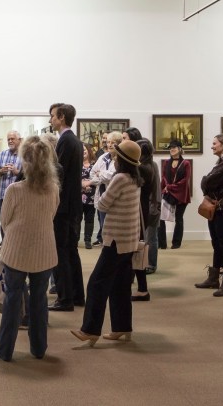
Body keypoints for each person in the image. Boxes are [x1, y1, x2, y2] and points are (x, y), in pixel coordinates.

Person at [70, 139, 143, 346]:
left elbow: (102, 205)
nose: (114, 158)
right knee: (120, 286)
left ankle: (90, 330)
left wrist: (104, 187)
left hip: (115, 240)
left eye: (116, 155)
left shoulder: (119, 178)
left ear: (122, 160)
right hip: (128, 240)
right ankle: (122, 327)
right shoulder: (135, 178)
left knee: (97, 283)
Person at [0, 135, 59, 362]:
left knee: (12, 300)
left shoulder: (14, 190)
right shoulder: (52, 189)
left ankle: (5, 350)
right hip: (45, 252)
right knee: (39, 300)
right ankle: (39, 348)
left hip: (16, 252)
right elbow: (51, 215)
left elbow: (5, 222)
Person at [48, 103, 85, 312]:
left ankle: (65, 298)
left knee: (61, 252)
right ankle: (77, 295)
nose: (51, 120)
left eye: (53, 116)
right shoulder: (74, 140)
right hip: (72, 206)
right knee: (71, 251)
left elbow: (57, 173)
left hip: (63, 207)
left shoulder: (66, 141)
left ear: (61, 117)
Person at [195, 133, 223, 297]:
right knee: (216, 244)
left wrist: (206, 181)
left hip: (222, 210)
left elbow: (206, 182)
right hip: (216, 209)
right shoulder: (222, 163)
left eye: (214, 143)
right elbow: (206, 183)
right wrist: (206, 182)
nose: (212, 146)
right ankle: (213, 279)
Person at [133, 138, 160, 299]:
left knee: (137, 248)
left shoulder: (142, 169)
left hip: (140, 212)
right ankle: (140, 286)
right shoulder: (149, 166)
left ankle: (142, 288)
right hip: (143, 210)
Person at [88, 131, 122, 246]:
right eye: (108, 142)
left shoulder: (121, 159)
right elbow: (92, 174)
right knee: (103, 225)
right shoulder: (103, 157)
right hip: (102, 196)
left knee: (114, 227)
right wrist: (102, 176)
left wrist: (100, 174)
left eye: (113, 142)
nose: (110, 145)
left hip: (115, 198)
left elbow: (114, 176)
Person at [158, 139, 192, 250]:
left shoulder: (186, 163)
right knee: (161, 218)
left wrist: (170, 187)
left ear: (180, 149)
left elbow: (185, 180)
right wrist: (161, 190)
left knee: (179, 218)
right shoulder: (166, 163)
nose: (172, 149)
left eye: (174, 147)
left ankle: (176, 243)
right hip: (167, 193)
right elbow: (163, 177)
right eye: (170, 148)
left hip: (181, 195)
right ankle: (162, 243)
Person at [0, 130, 22, 242]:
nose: (10, 141)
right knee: (4, 221)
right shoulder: (2, 154)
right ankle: (4, 246)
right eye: (8, 139)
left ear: (19, 140)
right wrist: (1, 170)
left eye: (12, 138)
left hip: (19, 197)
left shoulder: (26, 155)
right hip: (4, 196)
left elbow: (29, 174)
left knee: (18, 222)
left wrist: (17, 172)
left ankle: (16, 247)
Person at [80, 143, 96, 249]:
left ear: (88, 151)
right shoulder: (76, 165)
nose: (83, 151)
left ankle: (88, 240)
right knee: (77, 219)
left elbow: (98, 178)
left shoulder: (95, 165)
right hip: (79, 197)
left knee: (89, 220)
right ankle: (75, 238)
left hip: (92, 197)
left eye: (85, 149)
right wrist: (82, 184)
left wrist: (89, 183)